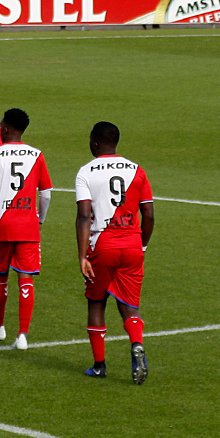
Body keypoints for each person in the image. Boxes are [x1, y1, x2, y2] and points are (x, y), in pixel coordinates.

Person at [74, 121, 154, 383]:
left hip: (102, 245)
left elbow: (84, 216)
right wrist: (142, 245)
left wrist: (82, 256)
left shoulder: (86, 172)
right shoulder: (137, 170)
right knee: (130, 305)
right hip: (132, 245)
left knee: (97, 302)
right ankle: (137, 343)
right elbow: (148, 215)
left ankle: (99, 365)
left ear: (96, 143)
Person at [0, 108, 52, 346]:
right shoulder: (37, 155)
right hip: (28, 225)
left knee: (0, 276)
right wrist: (40, 220)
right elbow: (46, 194)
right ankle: (23, 335)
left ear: (6, 128)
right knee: (25, 278)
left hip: (2, 225)